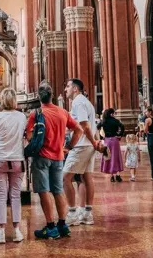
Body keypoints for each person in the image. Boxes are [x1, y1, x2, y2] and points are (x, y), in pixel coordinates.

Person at [26, 81, 83, 240]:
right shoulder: (63, 112)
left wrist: (34, 140)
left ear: (39, 97)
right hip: (58, 157)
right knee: (58, 190)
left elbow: (29, 136)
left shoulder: (35, 113)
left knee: (43, 191)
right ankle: (62, 225)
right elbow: (79, 130)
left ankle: (51, 227)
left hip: (41, 157)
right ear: (52, 96)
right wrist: (69, 146)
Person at [0, 88, 27, 243]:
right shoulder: (22, 117)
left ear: (2, 100)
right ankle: (17, 231)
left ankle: (1, 232)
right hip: (17, 159)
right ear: (15, 100)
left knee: (1, 196)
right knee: (15, 195)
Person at [63, 78, 104, 227]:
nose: (65, 89)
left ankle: (73, 213)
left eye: (68, 86)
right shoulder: (86, 102)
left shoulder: (78, 102)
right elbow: (90, 126)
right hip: (88, 145)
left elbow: (85, 126)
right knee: (86, 178)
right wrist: (95, 142)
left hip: (81, 145)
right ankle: (87, 214)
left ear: (75, 88)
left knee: (65, 178)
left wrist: (93, 142)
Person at [98, 108, 125, 182]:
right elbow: (122, 127)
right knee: (116, 157)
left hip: (107, 141)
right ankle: (118, 175)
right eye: (114, 113)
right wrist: (120, 135)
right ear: (111, 114)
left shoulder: (104, 121)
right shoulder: (115, 120)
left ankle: (112, 176)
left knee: (108, 157)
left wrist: (101, 137)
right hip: (114, 140)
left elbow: (98, 127)